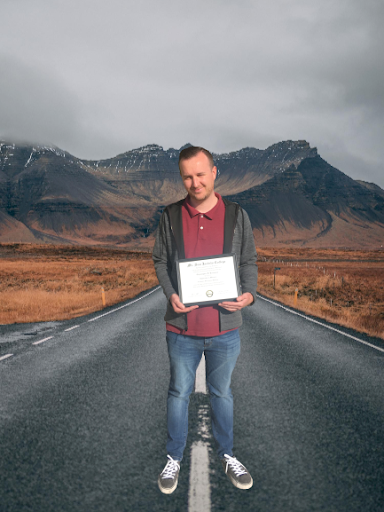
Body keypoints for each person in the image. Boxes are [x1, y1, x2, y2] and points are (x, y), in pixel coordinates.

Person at [152, 146, 258, 494]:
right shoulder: (169, 216)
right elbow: (160, 261)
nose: (194, 182)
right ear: (181, 177)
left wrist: (249, 294)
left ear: (214, 172)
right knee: (178, 392)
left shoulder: (237, 215)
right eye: (187, 176)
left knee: (222, 393)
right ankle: (174, 459)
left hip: (225, 329)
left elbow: (247, 262)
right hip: (182, 330)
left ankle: (228, 455)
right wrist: (171, 294)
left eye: (200, 174)